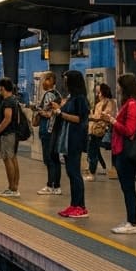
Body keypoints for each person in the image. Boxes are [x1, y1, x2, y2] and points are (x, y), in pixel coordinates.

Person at [100, 73, 136, 233]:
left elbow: (129, 130)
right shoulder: (130, 103)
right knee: (126, 187)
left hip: (126, 151)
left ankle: (132, 223)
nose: (117, 88)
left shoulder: (132, 105)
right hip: (122, 150)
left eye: (119, 84)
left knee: (128, 187)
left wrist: (112, 121)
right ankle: (130, 220)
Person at [55, 70, 90, 218]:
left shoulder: (80, 99)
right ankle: (73, 204)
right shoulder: (71, 98)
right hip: (67, 139)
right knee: (70, 172)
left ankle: (80, 206)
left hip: (75, 139)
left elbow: (79, 119)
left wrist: (60, 114)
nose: (64, 83)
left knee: (75, 173)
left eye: (66, 80)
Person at [0, 79, 22, 196]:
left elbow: (7, 119)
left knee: (8, 160)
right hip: (13, 133)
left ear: (2, 88)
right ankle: (15, 187)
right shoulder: (14, 100)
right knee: (13, 159)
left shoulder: (7, 102)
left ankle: (12, 188)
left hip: (7, 134)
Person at [35, 71, 64, 195]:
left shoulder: (48, 95)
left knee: (49, 159)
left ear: (51, 80)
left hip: (47, 130)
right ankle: (56, 185)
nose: (43, 83)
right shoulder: (58, 94)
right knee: (55, 158)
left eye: (45, 80)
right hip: (54, 130)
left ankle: (50, 185)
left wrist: (40, 112)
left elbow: (49, 113)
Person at [87, 83, 116, 181]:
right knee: (95, 151)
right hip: (97, 130)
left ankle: (92, 172)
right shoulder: (107, 102)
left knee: (93, 151)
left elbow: (102, 116)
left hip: (98, 130)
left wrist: (92, 118)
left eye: (98, 92)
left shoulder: (105, 103)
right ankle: (101, 168)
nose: (97, 94)